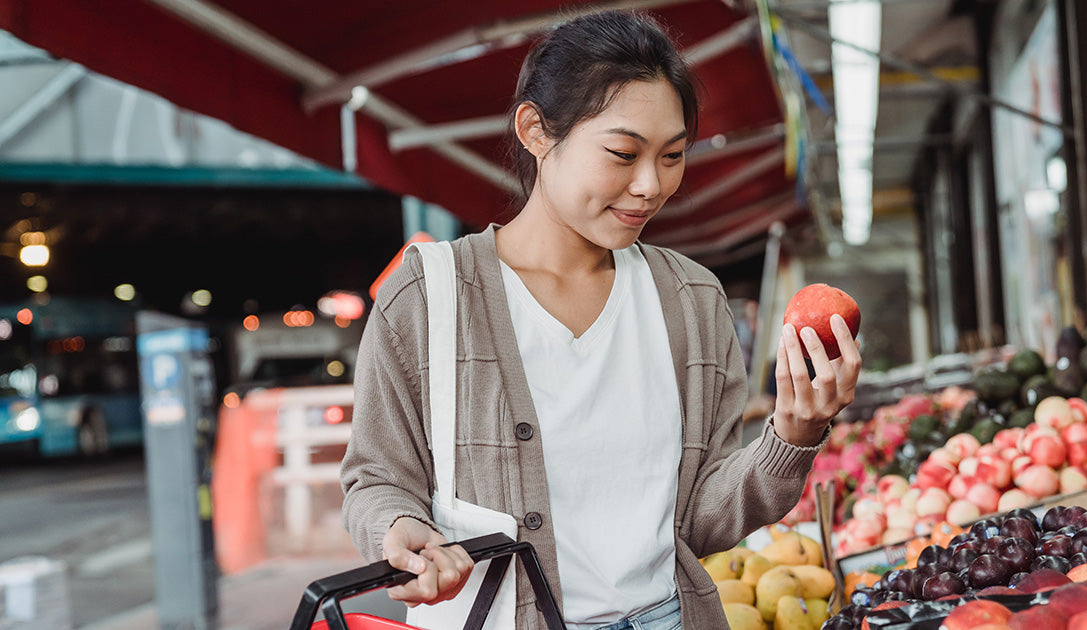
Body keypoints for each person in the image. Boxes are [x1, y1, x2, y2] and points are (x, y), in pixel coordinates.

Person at [340, 9, 861, 628]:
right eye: (622, 152)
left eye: (672, 155)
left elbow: (699, 519)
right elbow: (375, 477)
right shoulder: (429, 297)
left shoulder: (692, 300)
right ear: (535, 131)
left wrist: (793, 432)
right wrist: (400, 528)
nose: (650, 185)